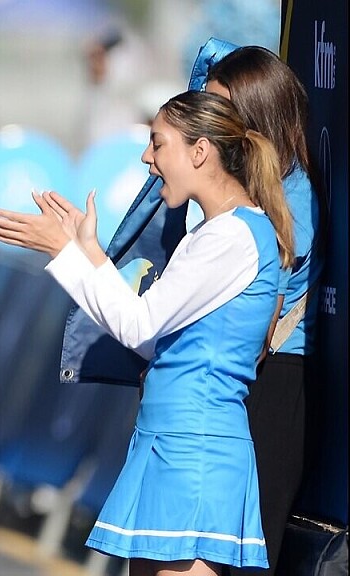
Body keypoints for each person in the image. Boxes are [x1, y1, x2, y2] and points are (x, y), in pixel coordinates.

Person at [0, 90, 294, 575]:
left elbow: (138, 323)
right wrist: (89, 253)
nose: (147, 157)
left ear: (200, 151)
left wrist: (62, 252)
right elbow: (152, 340)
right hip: (167, 444)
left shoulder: (232, 237)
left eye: (158, 143)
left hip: (195, 454)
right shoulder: (212, 233)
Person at [204, 45, 326, 576]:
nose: (208, 123)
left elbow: (257, 322)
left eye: (220, 110)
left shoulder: (289, 197)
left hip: (269, 381)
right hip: (240, 377)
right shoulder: (240, 190)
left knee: (246, 556)